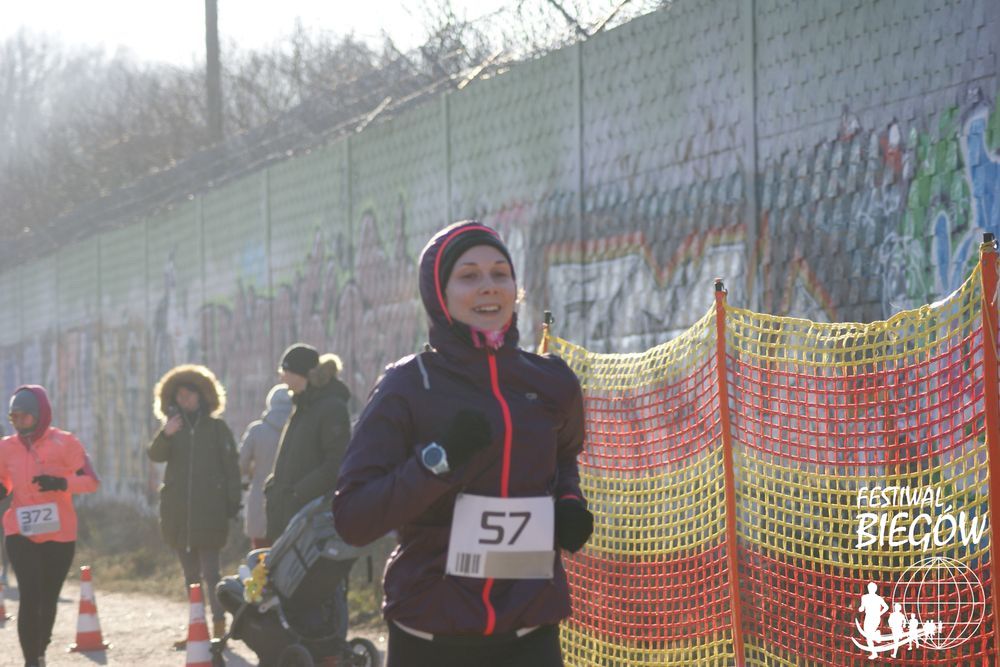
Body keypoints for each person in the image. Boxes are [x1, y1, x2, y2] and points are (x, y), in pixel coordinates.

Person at [333, 220, 594, 667]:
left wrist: (569, 500)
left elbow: (564, 454)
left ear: (515, 288)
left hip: (530, 629)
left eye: (500, 273)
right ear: (440, 294)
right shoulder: (408, 386)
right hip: (431, 631)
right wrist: (436, 462)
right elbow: (353, 518)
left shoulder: (552, 381)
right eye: (469, 276)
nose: (488, 286)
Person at [0, 385, 100, 667]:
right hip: (20, 531)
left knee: (47, 598)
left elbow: (91, 481)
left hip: (59, 534)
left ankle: (41, 648)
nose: (19, 423)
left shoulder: (65, 443)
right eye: (14, 417)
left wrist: (61, 482)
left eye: (24, 416)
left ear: (40, 414)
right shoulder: (5, 447)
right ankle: (31, 661)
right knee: (30, 596)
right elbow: (4, 481)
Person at [147, 364, 240, 644]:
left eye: (188, 395)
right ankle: (197, 629)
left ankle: (219, 626)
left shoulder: (217, 429)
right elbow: (155, 455)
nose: (184, 400)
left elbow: (231, 468)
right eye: (179, 396)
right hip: (178, 515)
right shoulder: (172, 429)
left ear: (201, 396)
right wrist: (166, 434)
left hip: (210, 513)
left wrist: (233, 504)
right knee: (190, 576)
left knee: (212, 574)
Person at [264, 343, 351, 542]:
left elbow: (336, 463)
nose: (281, 378)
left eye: (284, 371)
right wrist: (274, 488)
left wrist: (298, 493)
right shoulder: (302, 406)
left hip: (308, 516)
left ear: (299, 373)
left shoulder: (331, 408)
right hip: (289, 512)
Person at [238, 384, 292, 549]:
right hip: (291, 497)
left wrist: (249, 475)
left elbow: (241, 463)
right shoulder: (300, 429)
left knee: (261, 551)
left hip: (261, 496)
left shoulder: (257, 430)